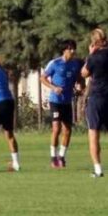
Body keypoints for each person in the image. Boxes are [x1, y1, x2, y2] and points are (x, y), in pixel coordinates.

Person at [40, 39, 83, 168]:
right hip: (55, 101)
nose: (73, 51)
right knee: (56, 128)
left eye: (74, 48)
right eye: (70, 48)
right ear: (64, 50)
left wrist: (81, 86)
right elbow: (42, 78)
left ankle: (62, 156)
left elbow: (79, 79)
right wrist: (54, 88)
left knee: (68, 130)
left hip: (67, 101)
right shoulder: (54, 63)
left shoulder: (76, 64)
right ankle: (53, 158)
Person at [82, 28, 108, 178]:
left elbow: (84, 73)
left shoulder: (94, 57)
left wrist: (90, 54)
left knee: (93, 133)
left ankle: (98, 169)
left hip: (97, 97)